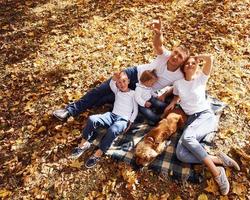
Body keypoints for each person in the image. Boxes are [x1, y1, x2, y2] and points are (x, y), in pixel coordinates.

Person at [53, 19, 190, 124]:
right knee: (100, 89)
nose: (175, 57)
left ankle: (99, 103)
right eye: (175, 53)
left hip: (140, 90)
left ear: (183, 61)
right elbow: (158, 45)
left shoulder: (179, 75)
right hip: (133, 74)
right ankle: (69, 111)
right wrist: (159, 33)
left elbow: (181, 87)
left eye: (180, 57)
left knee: (108, 98)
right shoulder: (165, 56)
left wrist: (171, 99)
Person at [165, 55, 240, 195]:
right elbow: (176, 95)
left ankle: (217, 173)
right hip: (191, 121)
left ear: (197, 66)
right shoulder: (178, 83)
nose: (191, 65)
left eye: (194, 63)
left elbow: (210, 59)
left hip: (205, 116)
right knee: (181, 154)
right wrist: (172, 102)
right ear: (183, 67)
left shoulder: (201, 79)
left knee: (187, 139)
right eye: (187, 63)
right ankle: (219, 160)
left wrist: (198, 57)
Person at [70, 72, 138, 168]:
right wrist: (114, 78)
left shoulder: (133, 94)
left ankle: (99, 152)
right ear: (117, 84)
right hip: (111, 116)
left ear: (128, 81)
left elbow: (135, 110)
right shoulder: (117, 91)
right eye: (119, 82)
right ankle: (84, 143)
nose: (122, 84)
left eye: (124, 81)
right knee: (92, 119)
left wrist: (130, 123)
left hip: (123, 120)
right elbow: (111, 84)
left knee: (113, 130)